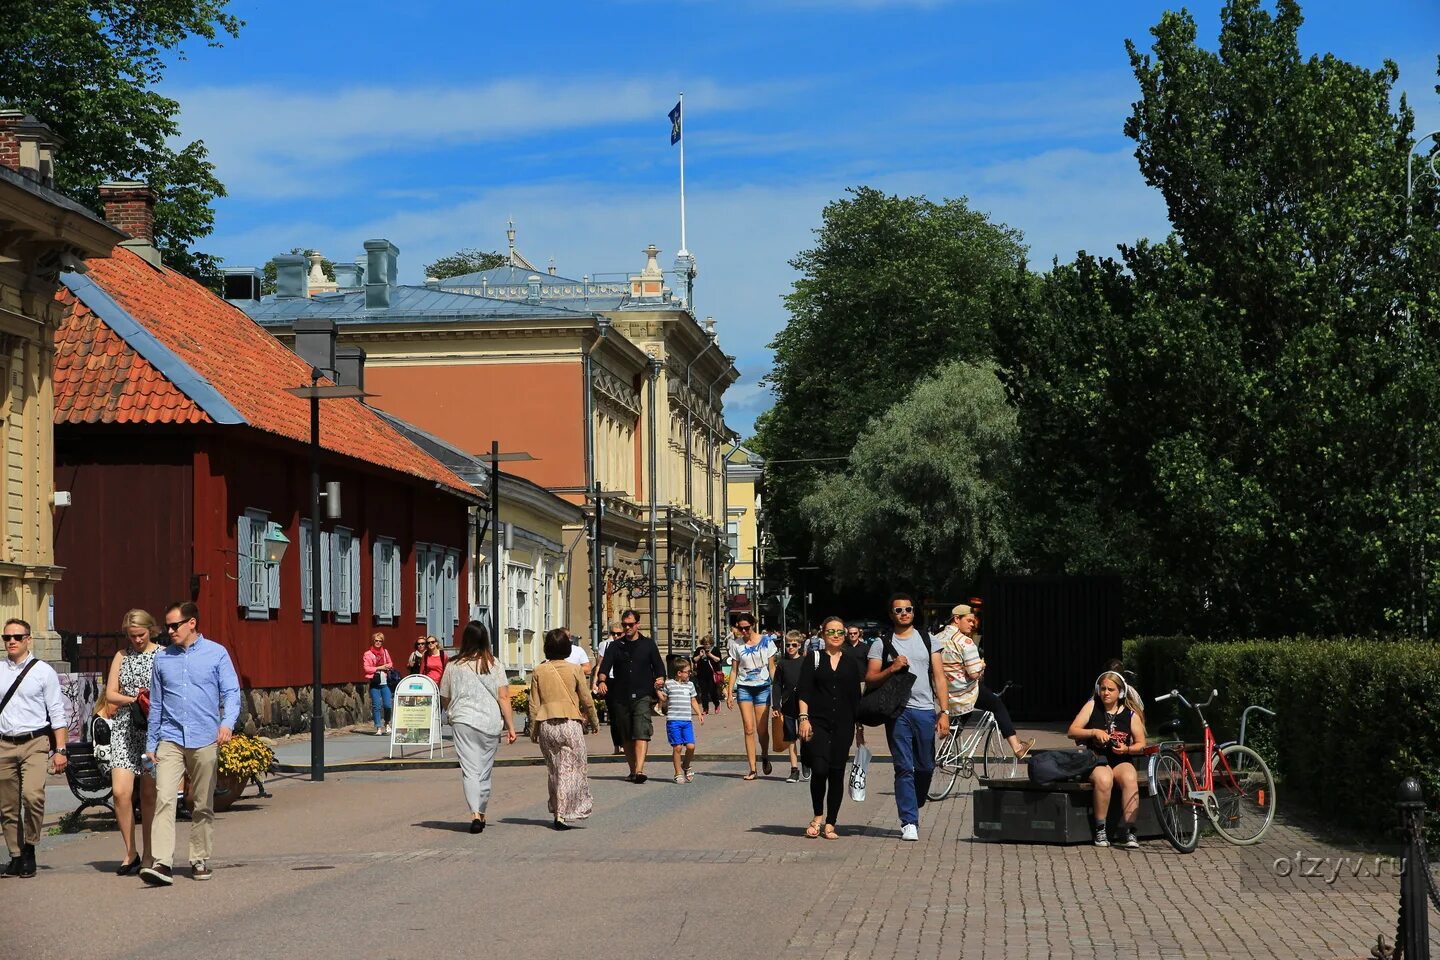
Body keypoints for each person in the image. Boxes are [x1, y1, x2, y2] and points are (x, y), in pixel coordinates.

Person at [140, 602, 240, 886]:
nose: (169, 631)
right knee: (164, 799)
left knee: (202, 803)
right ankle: (162, 863)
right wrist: (151, 744)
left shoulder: (216, 654)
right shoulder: (162, 659)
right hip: (170, 739)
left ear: (192, 623)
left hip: (205, 737)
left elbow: (231, 692)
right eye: (167, 626)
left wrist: (227, 723)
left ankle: (199, 858)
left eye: (175, 625)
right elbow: (156, 704)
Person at [866, 592, 949, 841]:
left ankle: (917, 798)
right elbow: (870, 679)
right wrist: (891, 668)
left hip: (925, 711)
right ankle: (909, 821)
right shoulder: (881, 643)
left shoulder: (927, 640)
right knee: (903, 767)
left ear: (914, 612)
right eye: (899, 610)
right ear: (891, 614)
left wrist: (944, 712)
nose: (904, 614)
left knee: (925, 765)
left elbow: (939, 676)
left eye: (908, 609)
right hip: (897, 712)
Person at [0, 619, 68, 878]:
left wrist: (60, 750)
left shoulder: (43, 671)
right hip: (4, 742)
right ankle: (15, 856)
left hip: (35, 742)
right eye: (7, 637)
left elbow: (57, 712)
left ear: (29, 639)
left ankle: (30, 847)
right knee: (7, 806)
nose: (12, 641)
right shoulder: (0, 670)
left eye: (17, 636)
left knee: (33, 796)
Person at [438, 621, 517, 834]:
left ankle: (475, 813)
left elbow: (444, 696)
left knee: (470, 769)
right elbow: (503, 696)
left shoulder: (453, 665)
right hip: (489, 722)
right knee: (484, 769)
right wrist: (511, 726)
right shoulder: (495, 664)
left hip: (463, 720)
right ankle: (481, 812)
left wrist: (452, 710)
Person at [104, 609, 161, 875]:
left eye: (141, 634)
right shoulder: (121, 655)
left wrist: (151, 703)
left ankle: (149, 853)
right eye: (131, 635)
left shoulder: (162, 654)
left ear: (151, 629)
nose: (136, 640)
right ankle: (131, 851)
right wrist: (135, 700)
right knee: (120, 793)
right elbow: (110, 694)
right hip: (125, 729)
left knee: (149, 795)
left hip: (152, 730)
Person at [798, 616, 865, 840]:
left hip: (844, 723)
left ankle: (830, 822)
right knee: (819, 769)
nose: (835, 636)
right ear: (823, 635)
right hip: (817, 722)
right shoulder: (813, 658)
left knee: (836, 771)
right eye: (831, 632)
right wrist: (803, 718)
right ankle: (817, 815)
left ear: (845, 635)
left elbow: (855, 696)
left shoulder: (851, 662)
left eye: (839, 632)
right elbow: (804, 690)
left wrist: (859, 727)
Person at [939, 605, 1033, 759]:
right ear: (957, 618)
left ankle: (946, 750)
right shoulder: (965, 642)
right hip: (965, 690)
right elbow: (974, 674)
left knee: (964, 714)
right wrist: (981, 666)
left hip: (945, 692)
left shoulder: (936, 638)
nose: (972, 624)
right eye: (969, 620)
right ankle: (1017, 747)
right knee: (997, 705)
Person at [1067, 670, 1148, 848]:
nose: (1105, 693)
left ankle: (1130, 830)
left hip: (1121, 759)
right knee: (1104, 778)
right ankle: (1100, 829)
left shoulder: (1130, 714)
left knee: (1129, 777)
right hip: (1097, 759)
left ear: (1120, 692)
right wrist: (1094, 732)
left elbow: (1142, 744)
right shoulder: (1092, 706)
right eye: (1102, 688)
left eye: (1110, 689)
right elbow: (1072, 731)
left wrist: (1127, 748)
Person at [528, 628, 598, 830]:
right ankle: (564, 812)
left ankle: (557, 808)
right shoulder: (575, 669)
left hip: (547, 725)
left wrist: (534, 729)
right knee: (573, 768)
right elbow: (586, 699)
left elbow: (534, 704)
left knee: (555, 769)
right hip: (570, 723)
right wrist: (593, 721)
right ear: (567, 648)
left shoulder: (539, 670)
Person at [594, 610, 666, 784]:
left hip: (642, 694)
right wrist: (602, 681)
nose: (627, 628)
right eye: (625, 624)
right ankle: (633, 770)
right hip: (620, 695)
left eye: (630, 624)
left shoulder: (648, 644)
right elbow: (604, 668)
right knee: (626, 735)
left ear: (637, 624)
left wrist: (660, 678)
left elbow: (658, 667)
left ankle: (640, 770)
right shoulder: (615, 646)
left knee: (641, 731)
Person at [726, 613, 777, 780]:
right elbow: (734, 670)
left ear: (753, 625)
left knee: (762, 730)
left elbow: (771, 668)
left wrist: (777, 689)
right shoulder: (736, 644)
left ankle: (764, 754)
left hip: (762, 687)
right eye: (740, 628)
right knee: (748, 729)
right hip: (744, 688)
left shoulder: (767, 641)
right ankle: (752, 769)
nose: (744, 631)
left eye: (746, 628)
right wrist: (729, 692)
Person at [659, 659, 705, 784]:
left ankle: (686, 765)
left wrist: (699, 713)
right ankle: (678, 772)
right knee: (677, 747)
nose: (689, 674)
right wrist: (657, 690)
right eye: (687, 672)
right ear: (679, 673)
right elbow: (663, 698)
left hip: (687, 720)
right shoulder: (669, 684)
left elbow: (693, 700)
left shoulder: (690, 685)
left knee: (691, 746)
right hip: (673, 721)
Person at [774, 630, 806, 783]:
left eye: (794, 645)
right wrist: (775, 705)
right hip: (787, 705)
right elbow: (777, 685)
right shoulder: (782, 664)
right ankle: (794, 770)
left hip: (804, 705)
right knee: (791, 738)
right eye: (787, 645)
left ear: (799, 646)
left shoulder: (806, 662)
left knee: (805, 736)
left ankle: (806, 760)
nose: (790, 648)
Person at [595, 621, 625, 755]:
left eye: (619, 633)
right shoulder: (605, 645)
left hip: (623, 680)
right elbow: (599, 665)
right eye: (613, 634)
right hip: (609, 680)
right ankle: (617, 745)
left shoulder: (627, 645)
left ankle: (625, 743)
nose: (616, 636)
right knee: (613, 715)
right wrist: (596, 683)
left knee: (623, 715)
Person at [363, 632, 396, 736]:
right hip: (375, 682)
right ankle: (378, 727)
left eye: (380, 641)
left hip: (385, 682)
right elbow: (366, 668)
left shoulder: (385, 652)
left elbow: (391, 663)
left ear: (382, 642)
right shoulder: (368, 654)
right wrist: (379, 668)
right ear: (373, 641)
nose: (378, 642)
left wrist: (387, 666)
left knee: (387, 705)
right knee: (376, 706)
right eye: (376, 640)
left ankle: (387, 723)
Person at [691, 637, 724, 715]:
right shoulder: (699, 649)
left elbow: (719, 660)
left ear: (711, 644)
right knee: (704, 692)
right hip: (702, 674)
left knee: (712, 691)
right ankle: (705, 709)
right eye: (705, 644)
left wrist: (710, 655)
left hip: (712, 674)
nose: (706, 646)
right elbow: (694, 660)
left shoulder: (715, 649)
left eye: (708, 644)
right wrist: (700, 655)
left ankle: (717, 703)